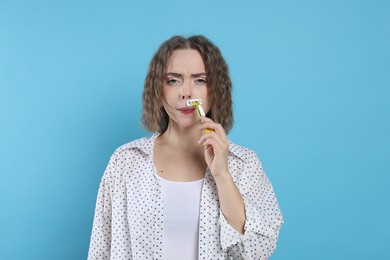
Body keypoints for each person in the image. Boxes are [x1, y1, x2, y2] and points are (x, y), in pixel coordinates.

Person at [88, 35, 283, 260]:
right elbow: (101, 251)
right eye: (173, 80)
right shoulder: (126, 161)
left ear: (215, 90)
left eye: (200, 80)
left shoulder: (244, 164)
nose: (186, 93)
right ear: (158, 89)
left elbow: (257, 252)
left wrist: (222, 174)